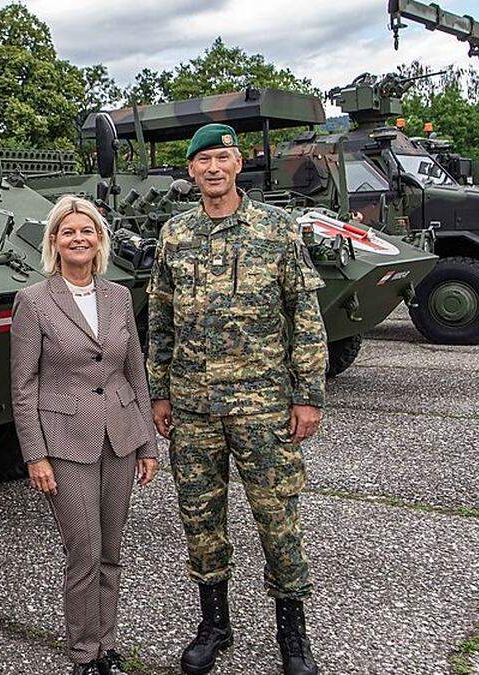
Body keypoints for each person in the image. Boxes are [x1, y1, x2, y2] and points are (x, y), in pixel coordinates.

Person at [147, 124, 327, 675]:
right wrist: (159, 392)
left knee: (278, 520)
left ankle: (292, 638)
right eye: (202, 161)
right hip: (193, 408)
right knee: (200, 520)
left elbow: (305, 315)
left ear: (238, 162)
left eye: (222, 157)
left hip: (263, 405)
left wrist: (309, 395)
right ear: (191, 171)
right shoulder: (175, 234)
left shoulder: (276, 230)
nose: (213, 168)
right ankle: (214, 624)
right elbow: (160, 317)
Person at [10, 195, 159, 675]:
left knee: (112, 550)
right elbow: (23, 386)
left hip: (119, 435)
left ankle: (107, 648)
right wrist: (35, 455)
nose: (79, 238)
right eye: (68, 231)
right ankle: (83, 654)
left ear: (100, 240)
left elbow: (135, 373)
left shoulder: (118, 296)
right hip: (66, 443)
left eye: (87, 230)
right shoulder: (33, 300)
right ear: (54, 242)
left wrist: (147, 444)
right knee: (85, 549)